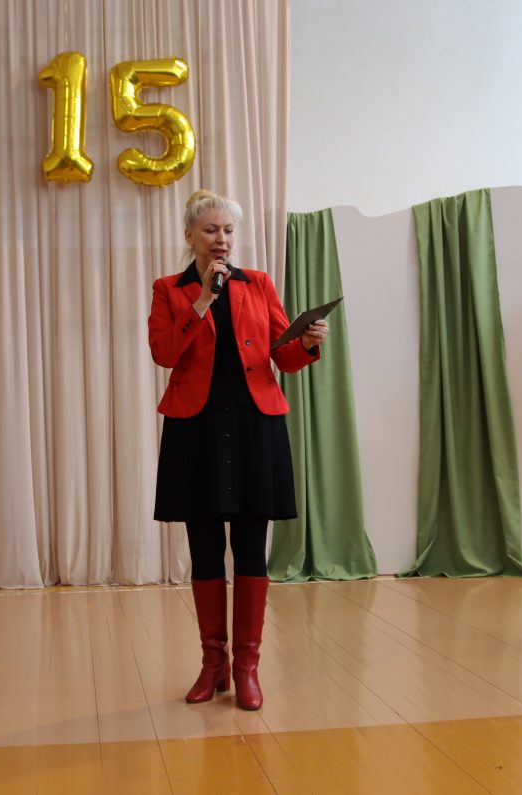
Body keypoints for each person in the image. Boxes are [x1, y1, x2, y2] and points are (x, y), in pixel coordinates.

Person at [148, 189, 328, 710]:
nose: (222, 239)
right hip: (195, 428)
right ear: (190, 236)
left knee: (251, 548)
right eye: (210, 230)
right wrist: (203, 299)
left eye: (228, 230)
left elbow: (283, 357)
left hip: (255, 426)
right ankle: (214, 666)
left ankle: (247, 669)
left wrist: (307, 342)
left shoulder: (259, 284)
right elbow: (164, 352)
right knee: (205, 550)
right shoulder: (168, 289)